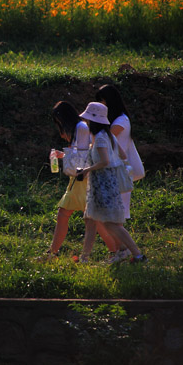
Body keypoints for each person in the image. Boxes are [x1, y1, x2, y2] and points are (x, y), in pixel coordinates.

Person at [38, 101, 117, 261]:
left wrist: (67, 157)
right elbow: (79, 153)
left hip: (82, 177)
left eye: (58, 120)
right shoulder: (80, 128)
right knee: (92, 219)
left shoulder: (80, 128)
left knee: (69, 215)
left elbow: (82, 156)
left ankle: (53, 253)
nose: (58, 124)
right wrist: (62, 154)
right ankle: (116, 251)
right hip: (81, 177)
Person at [75, 101, 146, 264]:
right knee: (93, 221)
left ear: (92, 121)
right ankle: (85, 257)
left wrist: (86, 170)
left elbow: (105, 161)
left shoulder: (100, 139)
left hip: (103, 185)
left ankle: (137, 254)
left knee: (112, 224)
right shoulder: (109, 136)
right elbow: (122, 155)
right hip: (107, 184)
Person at [95, 84, 146, 226]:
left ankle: (123, 247)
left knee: (116, 216)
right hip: (114, 169)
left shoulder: (121, 121)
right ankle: (119, 246)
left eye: (102, 101)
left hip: (119, 170)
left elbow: (106, 140)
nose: (101, 104)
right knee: (111, 216)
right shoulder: (117, 120)